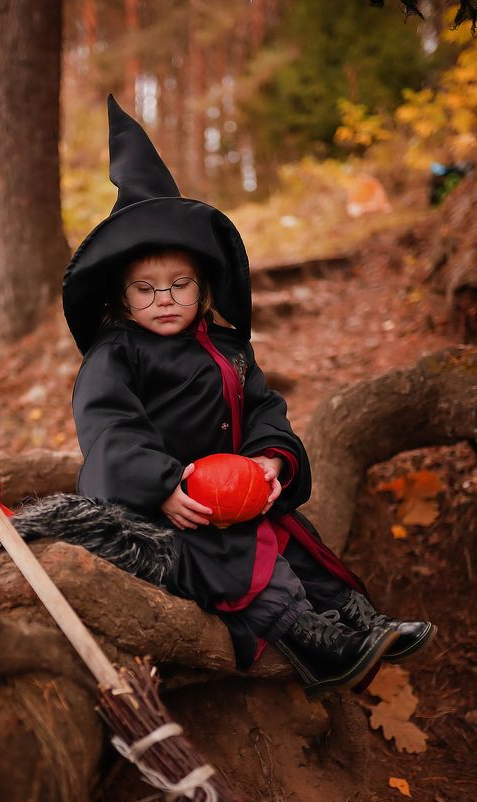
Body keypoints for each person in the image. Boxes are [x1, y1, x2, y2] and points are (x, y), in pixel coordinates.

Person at [62, 97, 436, 697]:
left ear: (203, 285)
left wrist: (271, 459)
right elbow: (108, 428)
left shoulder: (228, 347)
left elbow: (263, 407)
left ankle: (355, 619)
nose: (165, 298)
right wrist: (160, 486)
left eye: (180, 285)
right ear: (121, 297)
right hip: (167, 505)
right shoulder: (116, 356)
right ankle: (312, 642)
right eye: (147, 289)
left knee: (296, 538)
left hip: (237, 488)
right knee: (239, 563)